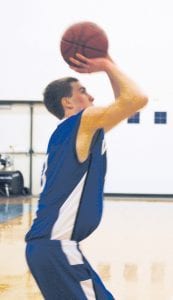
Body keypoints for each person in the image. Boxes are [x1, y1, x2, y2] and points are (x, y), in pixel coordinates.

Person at [25, 53, 148, 300]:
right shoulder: (82, 123)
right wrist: (106, 64)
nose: (91, 96)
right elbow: (137, 99)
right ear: (67, 103)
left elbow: (123, 105)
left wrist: (108, 64)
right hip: (57, 247)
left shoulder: (71, 132)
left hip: (50, 248)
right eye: (82, 91)